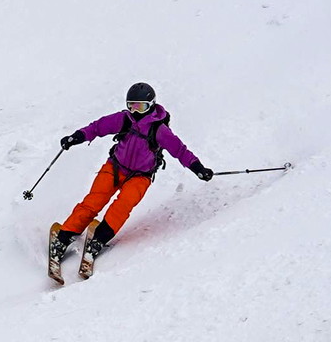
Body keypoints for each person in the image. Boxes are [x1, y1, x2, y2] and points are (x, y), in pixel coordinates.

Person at [48, 82, 213, 279]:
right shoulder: (123, 119)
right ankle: (64, 237)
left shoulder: (159, 130)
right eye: (131, 105)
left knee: (122, 207)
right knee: (93, 202)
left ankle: (98, 241)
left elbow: (180, 150)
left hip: (140, 177)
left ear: (151, 105)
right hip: (115, 167)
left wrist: (198, 168)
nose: (135, 111)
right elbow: (98, 127)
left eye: (140, 107)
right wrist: (76, 137)